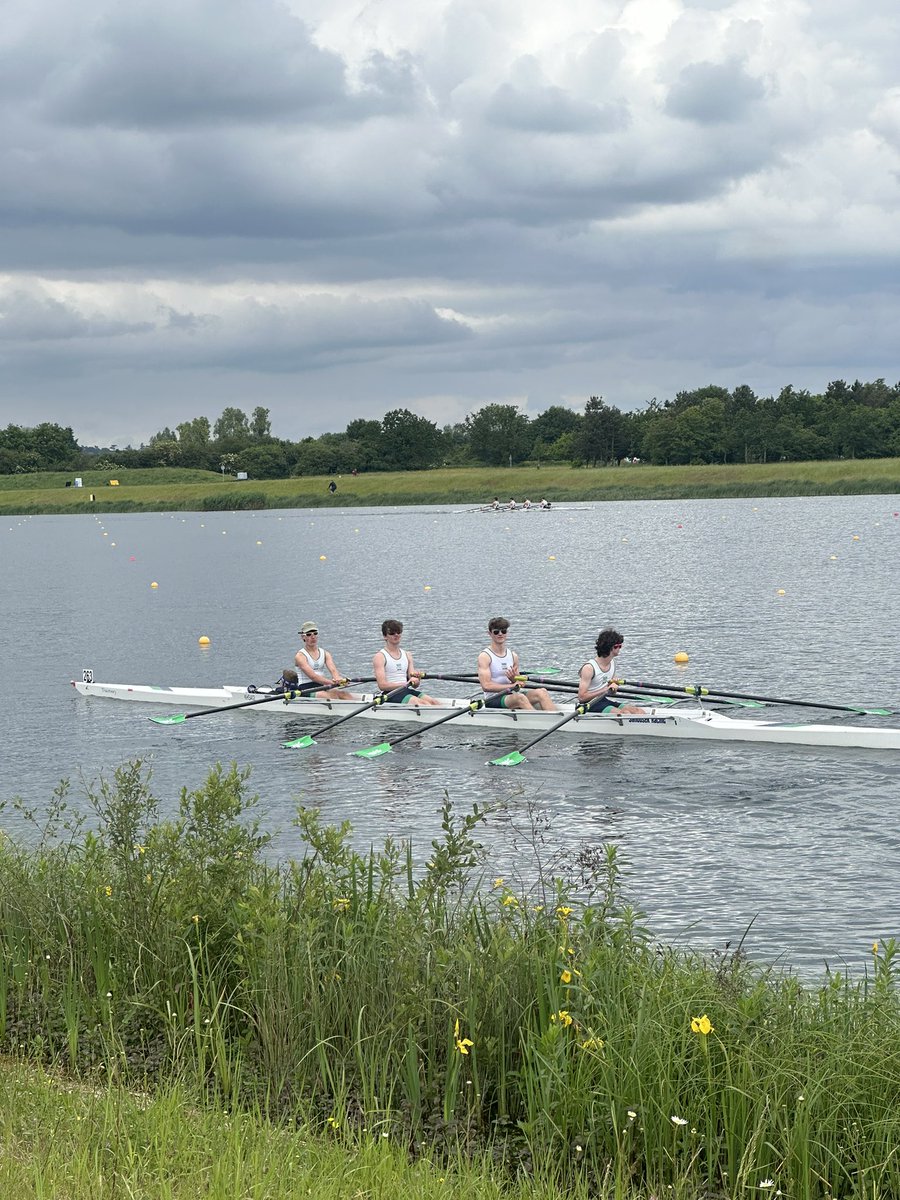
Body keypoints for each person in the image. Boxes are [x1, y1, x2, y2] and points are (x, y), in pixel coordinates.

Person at [477, 618, 557, 711]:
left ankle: (556, 720)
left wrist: (513, 679)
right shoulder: (485, 657)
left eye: (503, 631)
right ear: (489, 633)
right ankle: (540, 722)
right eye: (496, 632)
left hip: (510, 696)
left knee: (542, 692)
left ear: (507, 633)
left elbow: (519, 685)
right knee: (520, 698)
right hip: (493, 699)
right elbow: (486, 686)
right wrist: (512, 686)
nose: (500, 634)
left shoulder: (513, 656)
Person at [373, 619, 441, 705]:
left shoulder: (407, 655)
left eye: (398, 632)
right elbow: (382, 685)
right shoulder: (380, 657)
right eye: (392, 633)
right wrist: (405, 684)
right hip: (390, 694)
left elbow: (414, 685)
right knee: (423, 704)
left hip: (405, 690)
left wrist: (417, 680)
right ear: (385, 636)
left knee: (434, 702)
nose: (396, 635)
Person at [577, 629, 646, 714]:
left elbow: (612, 693)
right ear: (610, 647)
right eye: (618, 646)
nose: (620, 648)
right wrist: (605, 690)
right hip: (589, 705)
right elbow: (581, 697)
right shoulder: (589, 668)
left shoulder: (612, 663)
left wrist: (613, 687)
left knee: (638, 711)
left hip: (603, 700)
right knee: (625, 714)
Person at [295, 621, 355, 699]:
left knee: (345, 695)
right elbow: (313, 677)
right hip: (306, 689)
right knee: (328, 697)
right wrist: (333, 683)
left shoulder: (325, 653)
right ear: (303, 637)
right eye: (309, 634)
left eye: (315, 633)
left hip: (321, 686)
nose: (313, 637)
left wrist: (339, 680)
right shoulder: (300, 656)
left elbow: (334, 671)